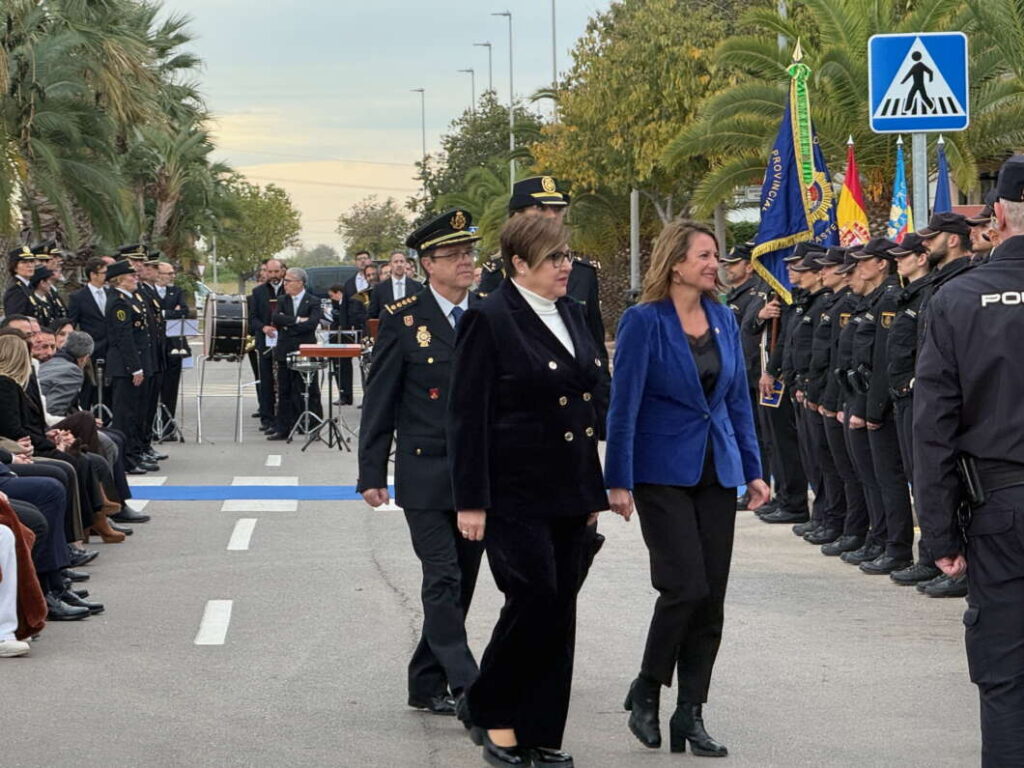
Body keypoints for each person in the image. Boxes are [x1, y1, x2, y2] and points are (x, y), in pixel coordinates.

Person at [449, 213, 610, 768]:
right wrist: (470, 500)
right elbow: (466, 418)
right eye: (554, 259)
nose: (566, 267)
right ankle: (493, 711)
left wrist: (598, 490)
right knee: (535, 596)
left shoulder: (571, 312)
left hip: (572, 485)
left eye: (567, 256)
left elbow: (591, 395)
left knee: (559, 608)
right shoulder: (490, 318)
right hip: (514, 489)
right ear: (520, 264)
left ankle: (539, 729)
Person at [605, 220, 768, 758]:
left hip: (716, 472)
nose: (713, 264)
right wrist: (618, 479)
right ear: (676, 262)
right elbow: (622, 404)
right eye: (703, 255)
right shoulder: (642, 322)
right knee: (685, 587)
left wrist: (754, 469)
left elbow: (737, 400)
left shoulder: (724, 317)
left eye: (716, 256)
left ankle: (690, 713)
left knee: (712, 600)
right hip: (660, 472)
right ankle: (647, 688)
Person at [913, 154, 1024, 767]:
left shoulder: (959, 300)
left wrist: (939, 533)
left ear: (998, 215)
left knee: (1006, 676)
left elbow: (933, 430)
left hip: (1001, 510)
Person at [358, 209, 485, 720]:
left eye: (469, 252)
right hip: (426, 471)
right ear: (426, 263)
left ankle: (425, 681)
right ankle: (469, 684)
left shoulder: (489, 313)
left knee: (465, 583)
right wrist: (371, 473)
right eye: (453, 255)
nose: (465, 262)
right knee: (443, 579)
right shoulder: (403, 317)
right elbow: (380, 398)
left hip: (478, 475)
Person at [104, 260, 155, 473]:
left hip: (140, 361)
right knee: (125, 416)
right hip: (125, 368)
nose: (136, 278)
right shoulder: (118, 302)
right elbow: (124, 338)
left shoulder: (131, 299)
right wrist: (135, 367)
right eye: (131, 276)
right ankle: (124, 460)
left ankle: (134, 454)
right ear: (119, 280)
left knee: (137, 413)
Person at [267, 267, 322, 440]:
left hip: (305, 349)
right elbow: (276, 318)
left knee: (309, 389)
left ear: (300, 283)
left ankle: (314, 427)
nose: (285, 284)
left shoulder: (313, 301)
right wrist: (297, 320)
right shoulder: (283, 300)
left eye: (289, 281)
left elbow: (312, 324)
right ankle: (283, 427)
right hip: (285, 350)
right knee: (284, 390)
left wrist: (289, 324)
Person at [68, 257, 111, 411]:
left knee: (108, 392)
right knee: (89, 390)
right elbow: (71, 324)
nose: (108, 275)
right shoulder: (78, 297)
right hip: (91, 351)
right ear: (93, 275)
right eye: (104, 272)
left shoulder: (111, 293)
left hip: (110, 349)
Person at [250, 258, 286, 432]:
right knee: (266, 380)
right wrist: (263, 327)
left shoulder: (289, 289)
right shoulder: (258, 292)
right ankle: (267, 418)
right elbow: (253, 318)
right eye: (269, 272)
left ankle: (285, 417)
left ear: (282, 271)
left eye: (276, 272)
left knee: (285, 380)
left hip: (285, 340)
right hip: (265, 340)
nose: (273, 276)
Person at [156, 261, 192, 421]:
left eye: (172, 273)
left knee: (171, 388)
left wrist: (163, 314)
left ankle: (168, 424)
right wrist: (169, 313)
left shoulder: (176, 291)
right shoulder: (147, 292)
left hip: (174, 346)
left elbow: (184, 311)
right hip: (156, 346)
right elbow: (152, 314)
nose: (172, 276)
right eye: (169, 273)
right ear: (158, 274)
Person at [323, 283, 365, 405]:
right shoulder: (337, 304)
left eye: (332, 296)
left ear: (339, 293)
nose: (331, 299)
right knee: (340, 368)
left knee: (349, 368)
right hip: (338, 338)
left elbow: (352, 319)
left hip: (349, 338)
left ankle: (349, 395)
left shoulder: (351, 302)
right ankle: (345, 394)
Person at [368, 251, 423, 320]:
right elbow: (373, 314)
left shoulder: (417, 287)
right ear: (390, 265)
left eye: (402, 261)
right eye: (396, 262)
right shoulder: (379, 288)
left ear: (406, 264)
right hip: (388, 328)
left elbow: (422, 310)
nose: (399, 264)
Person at [3, 246, 38, 318]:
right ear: (15, 268)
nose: (29, 265)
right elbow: (15, 319)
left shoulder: (29, 287)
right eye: (24, 262)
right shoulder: (16, 290)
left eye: (31, 261)